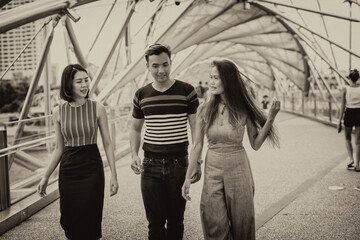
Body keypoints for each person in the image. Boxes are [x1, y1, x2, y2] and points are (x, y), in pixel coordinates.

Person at [181, 58, 280, 240]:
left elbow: (256, 144)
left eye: (216, 77)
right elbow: (197, 145)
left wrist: (271, 118)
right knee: (213, 222)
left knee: (243, 223)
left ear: (228, 80)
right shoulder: (203, 109)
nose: (211, 82)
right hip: (212, 169)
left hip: (239, 169)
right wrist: (187, 177)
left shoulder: (243, 108)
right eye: (210, 77)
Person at [37, 64, 119, 239]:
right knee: (70, 220)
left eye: (86, 80)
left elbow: (107, 143)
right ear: (68, 84)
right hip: (68, 170)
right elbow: (59, 148)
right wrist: (45, 177)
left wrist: (114, 174)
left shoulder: (98, 108)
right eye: (79, 81)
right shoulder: (58, 112)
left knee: (90, 218)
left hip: (92, 168)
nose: (84, 85)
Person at [129, 43, 200, 240]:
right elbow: (135, 128)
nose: (161, 70)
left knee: (176, 220)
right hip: (150, 164)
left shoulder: (187, 91)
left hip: (179, 163)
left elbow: (196, 130)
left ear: (171, 63)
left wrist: (197, 162)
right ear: (147, 66)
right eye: (155, 66)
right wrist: (134, 154)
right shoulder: (141, 95)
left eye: (165, 64)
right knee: (155, 223)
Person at [338, 69, 360, 171]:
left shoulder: (345, 89)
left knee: (347, 138)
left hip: (349, 114)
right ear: (358, 78)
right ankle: (357, 164)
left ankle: (351, 158)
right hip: (359, 113)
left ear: (349, 78)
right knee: (358, 141)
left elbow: (342, 106)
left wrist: (339, 121)